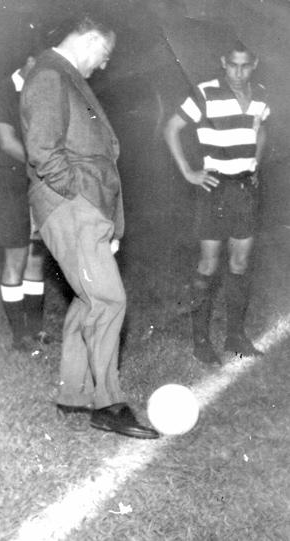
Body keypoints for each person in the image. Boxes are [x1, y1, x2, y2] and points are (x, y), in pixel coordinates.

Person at [20, 14, 159, 439]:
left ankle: (74, 393)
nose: (103, 64)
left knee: (88, 298)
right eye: (105, 53)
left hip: (89, 209)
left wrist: (110, 221)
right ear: (92, 37)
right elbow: (44, 149)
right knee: (109, 300)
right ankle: (108, 404)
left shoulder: (63, 76)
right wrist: (77, 196)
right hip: (73, 207)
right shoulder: (49, 74)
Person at [164, 39, 269, 365]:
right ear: (224, 61)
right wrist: (188, 172)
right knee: (209, 265)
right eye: (232, 64)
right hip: (214, 189)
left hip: (244, 190)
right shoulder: (205, 92)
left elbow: (260, 128)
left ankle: (235, 336)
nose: (238, 72)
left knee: (239, 264)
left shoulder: (261, 95)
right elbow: (171, 128)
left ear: (254, 65)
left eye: (245, 65)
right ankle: (201, 340)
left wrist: (255, 165)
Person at [0, 55, 51, 356]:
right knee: (16, 258)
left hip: (34, 183)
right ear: (29, 59)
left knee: (37, 257)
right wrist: (45, 164)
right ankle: (19, 335)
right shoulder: (1, 91)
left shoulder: (42, 92)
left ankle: (35, 329)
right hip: (6, 186)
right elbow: (7, 142)